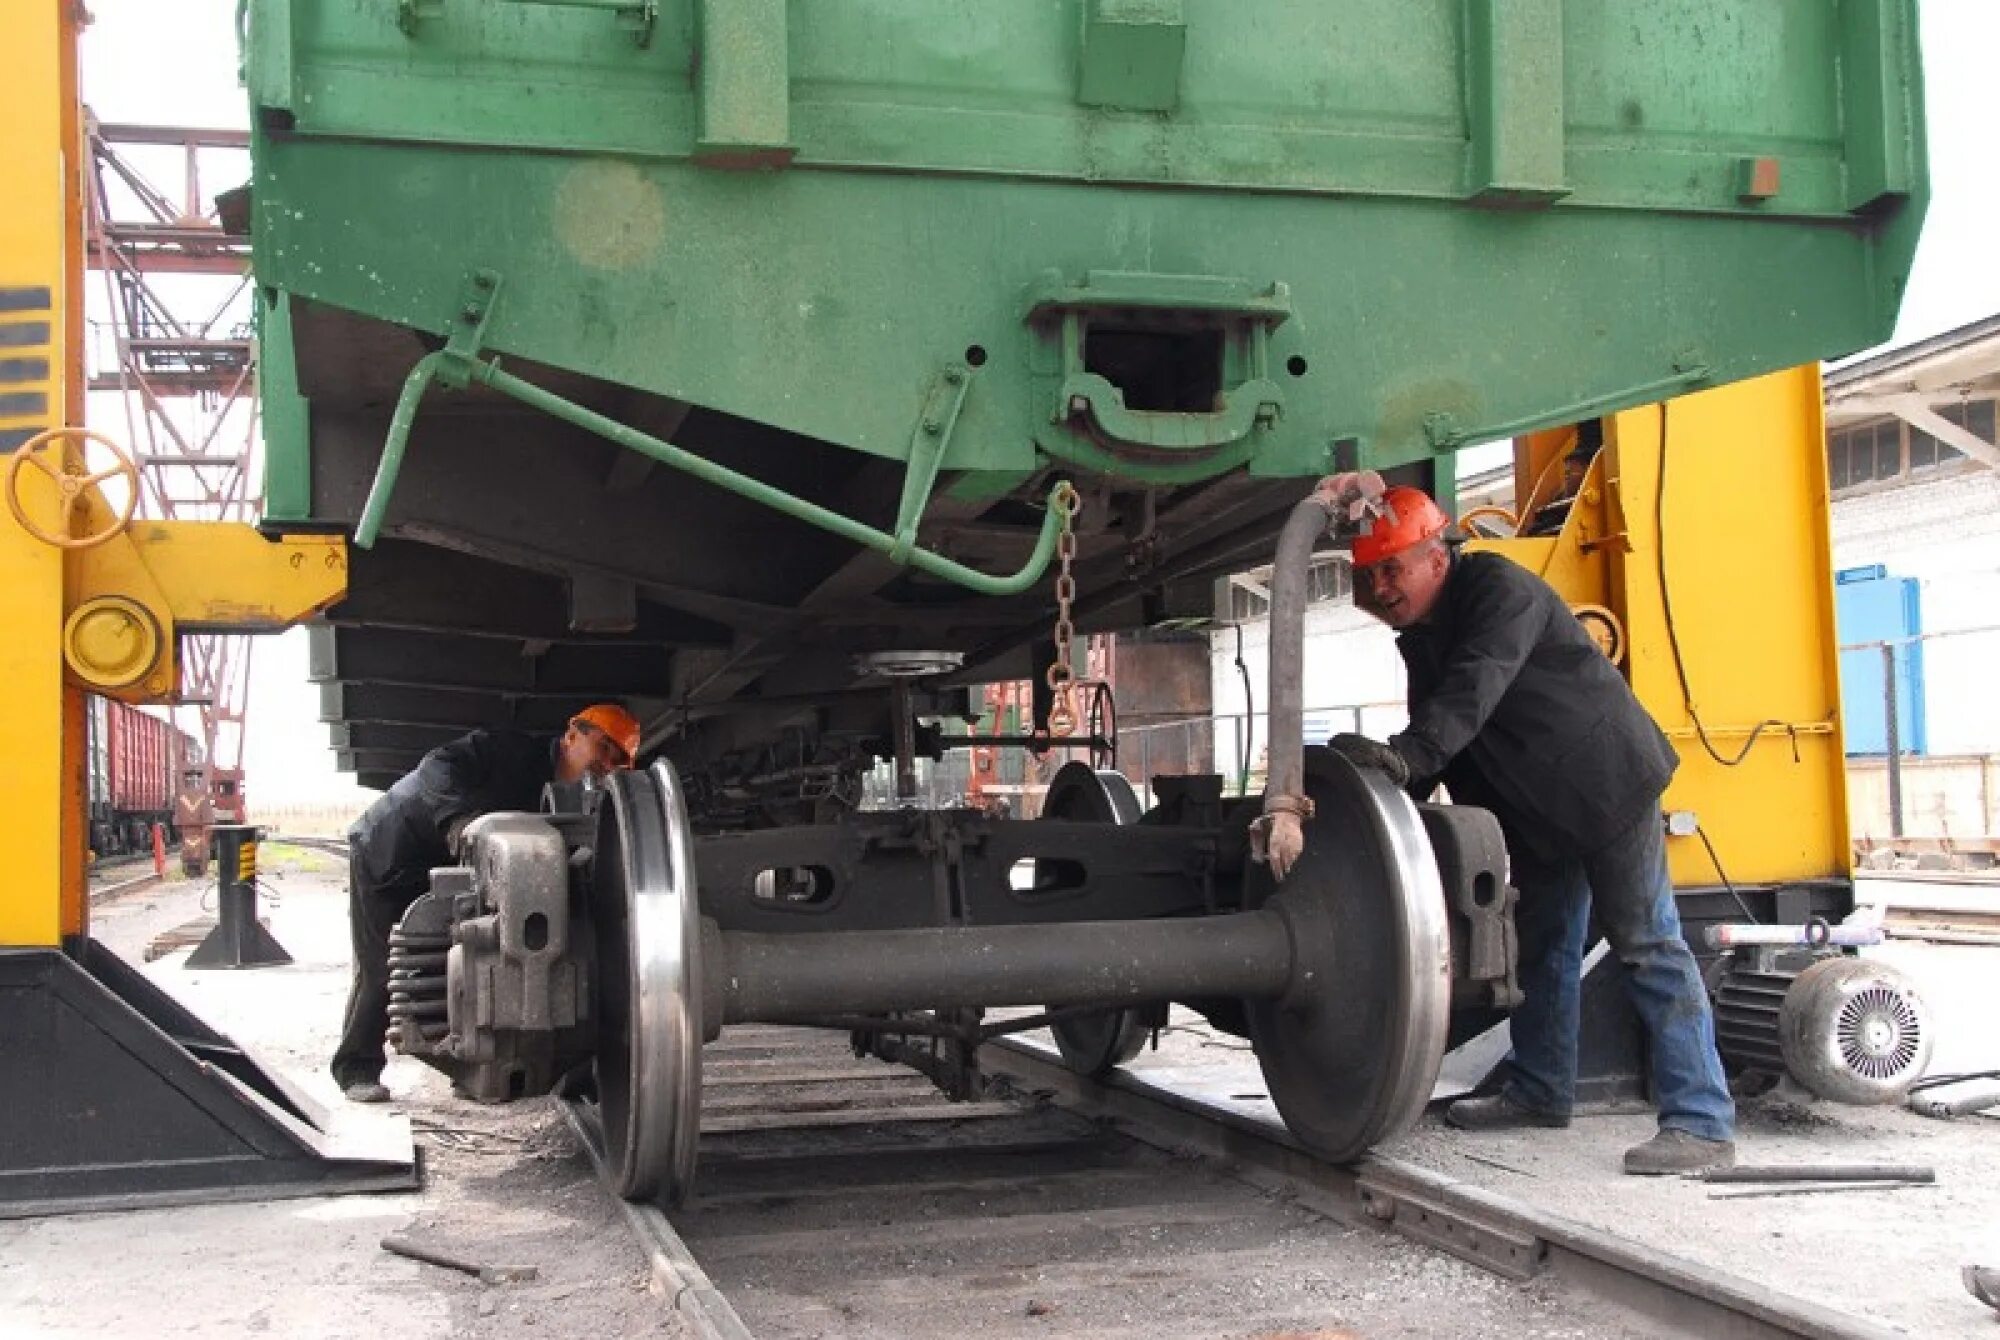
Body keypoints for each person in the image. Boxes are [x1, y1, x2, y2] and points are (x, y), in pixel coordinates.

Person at [1315, 479, 1736, 1175]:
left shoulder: (1497, 591)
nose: (1382, 588)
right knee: (1542, 951)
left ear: (1437, 558)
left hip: (1604, 788)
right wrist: (1387, 793)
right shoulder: (1420, 634)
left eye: (1392, 569)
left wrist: (1407, 756)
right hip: (1537, 811)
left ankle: (1703, 1123)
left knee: (1648, 946)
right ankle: (1541, 1090)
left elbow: (1473, 690)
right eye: (1370, 576)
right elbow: (1444, 727)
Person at [331, 704, 642, 1103]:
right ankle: (355, 1068)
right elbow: (435, 767)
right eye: (603, 748)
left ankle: (462, 1062)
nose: (607, 764)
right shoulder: (507, 751)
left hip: (446, 867)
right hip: (391, 851)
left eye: (619, 761)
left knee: (455, 956)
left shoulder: (566, 797)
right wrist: (457, 821)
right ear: (571, 736)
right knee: (380, 966)